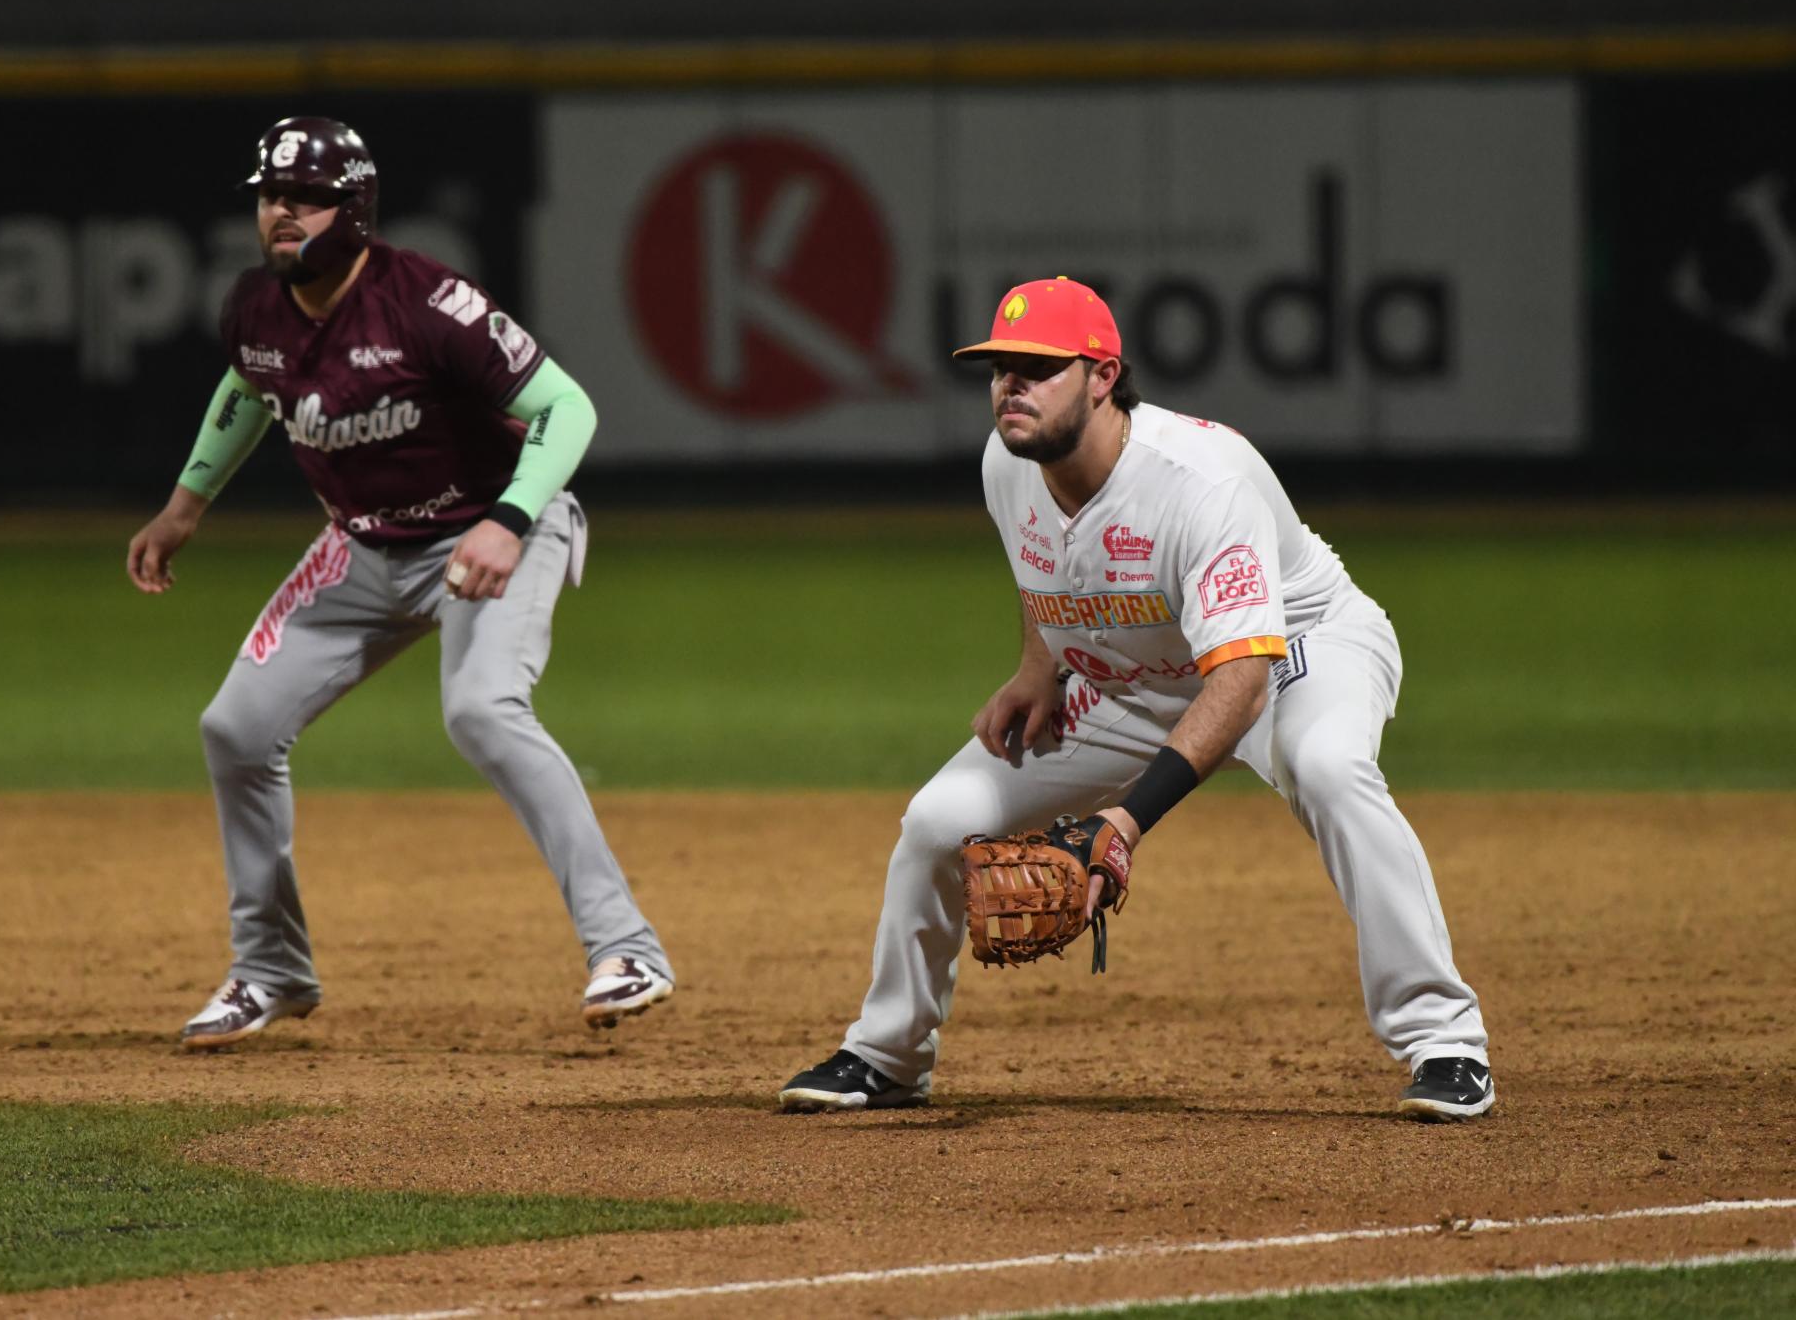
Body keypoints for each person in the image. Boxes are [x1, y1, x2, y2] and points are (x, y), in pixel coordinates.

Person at [779, 278, 1492, 1120]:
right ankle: (888, 1053)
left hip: (1296, 653)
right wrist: (1037, 664)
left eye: (1039, 367)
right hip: (1137, 677)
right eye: (1001, 366)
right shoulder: (1007, 460)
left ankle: (1445, 1039)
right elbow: (1049, 566)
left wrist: (1127, 821)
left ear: (1103, 376)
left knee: (1328, 765)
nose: (1012, 384)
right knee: (938, 820)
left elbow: (1241, 678)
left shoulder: (1202, 479)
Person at [127, 116, 674, 1048]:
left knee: (482, 709)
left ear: (355, 207)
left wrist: (510, 518)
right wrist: (185, 506)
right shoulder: (256, 309)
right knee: (236, 728)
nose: (280, 214)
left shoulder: (427, 302)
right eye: (269, 197)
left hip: (491, 530)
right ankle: (270, 970)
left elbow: (567, 406)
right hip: (362, 548)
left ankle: (628, 947)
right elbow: (247, 388)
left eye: (303, 197)